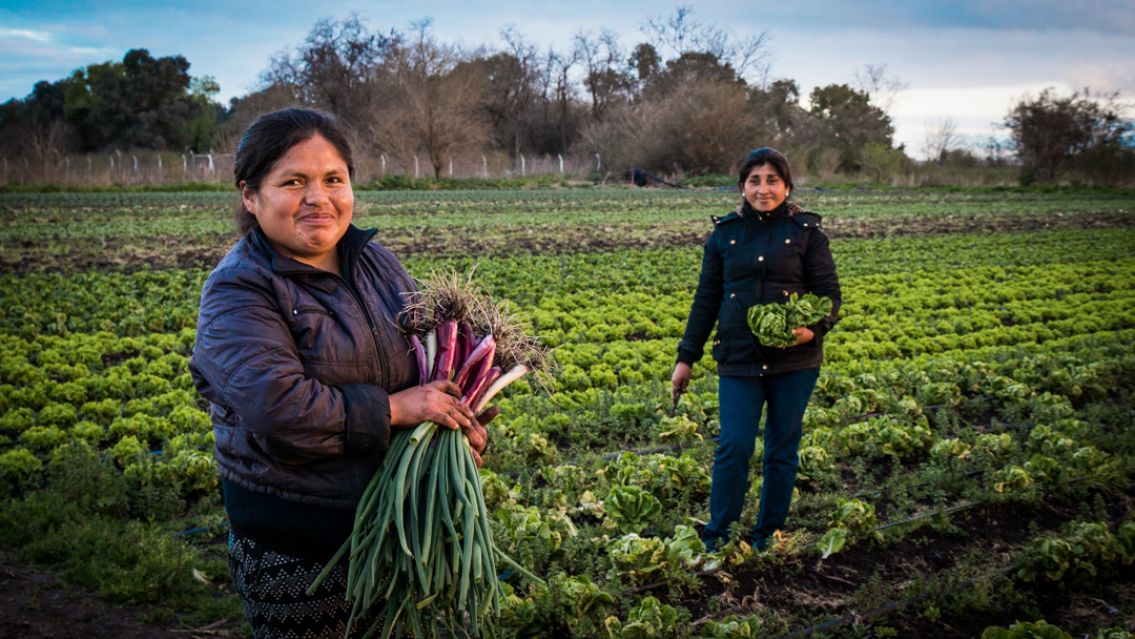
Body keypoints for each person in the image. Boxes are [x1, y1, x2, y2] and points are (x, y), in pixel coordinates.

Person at [188, 107, 489, 638]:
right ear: (250, 195)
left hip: (400, 525)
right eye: (293, 182)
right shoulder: (239, 289)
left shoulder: (378, 263)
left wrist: (454, 423)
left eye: (333, 179)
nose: (317, 198)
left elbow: (428, 364)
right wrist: (399, 409)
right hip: (298, 544)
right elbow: (280, 408)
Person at [671, 147, 841, 552]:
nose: (763, 189)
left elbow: (829, 297)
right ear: (743, 186)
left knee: (782, 447)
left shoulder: (807, 234)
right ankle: (718, 534)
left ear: (786, 185)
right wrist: (686, 358)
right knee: (734, 446)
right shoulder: (724, 234)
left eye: (772, 180)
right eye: (754, 180)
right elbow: (706, 299)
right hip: (738, 358)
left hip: (795, 363)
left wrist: (812, 330)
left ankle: (767, 534)